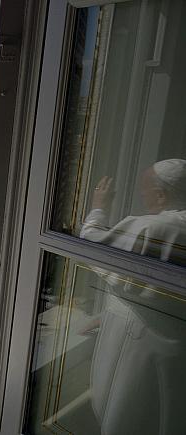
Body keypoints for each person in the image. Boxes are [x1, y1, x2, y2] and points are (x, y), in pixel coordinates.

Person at [80, 159, 186, 434]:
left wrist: (99, 206)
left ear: (161, 195)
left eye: (145, 190)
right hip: (172, 340)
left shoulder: (152, 229)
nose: (142, 196)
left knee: (123, 409)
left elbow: (90, 245)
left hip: (135, 338)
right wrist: (105, 316)